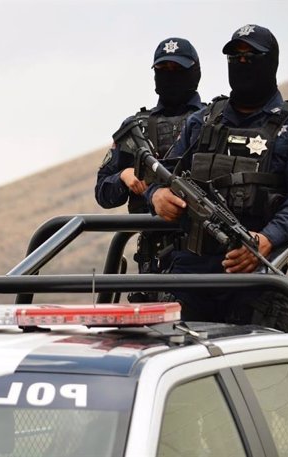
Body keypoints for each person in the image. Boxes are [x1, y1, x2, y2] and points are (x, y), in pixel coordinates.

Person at [147, 24, 288, 332]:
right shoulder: (202, 122)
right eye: (235, 56)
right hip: (189, 278)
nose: (241, 63)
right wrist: (156, 196)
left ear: (270, 62)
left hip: (254, 279)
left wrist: (267, 239)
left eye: (250, 56)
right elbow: (164, 173)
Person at [95, 37, 204, 300]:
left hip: (205, 261)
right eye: (162, 70)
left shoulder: (212, 122)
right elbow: (102, 193)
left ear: (194, 73)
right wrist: (123, 176)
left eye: (177, 70)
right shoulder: (136, 128)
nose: (169, 77)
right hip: (152, 264)